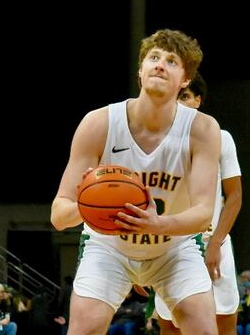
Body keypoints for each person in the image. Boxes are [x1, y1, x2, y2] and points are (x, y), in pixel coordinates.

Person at [50, 29, 222, 335]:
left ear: (185, 79)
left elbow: (202, 215)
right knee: (84, 329)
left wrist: (158, 225)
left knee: (205, 331)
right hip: (110, 247)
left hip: (173, 248)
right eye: (153, 58)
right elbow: (59, 214)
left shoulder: (202, 130)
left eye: (171, 61)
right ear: (140, 72)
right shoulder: (99, 123)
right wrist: (94, 207)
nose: (159, 65)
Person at [155, 72, 244, 335]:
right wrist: (140, 256)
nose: (179, 103)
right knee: (171, 325)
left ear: (198, 100)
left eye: (185, 96)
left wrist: (216, 243)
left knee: (223, 320)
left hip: (211, 243)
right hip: (169, 247)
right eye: (175, 97)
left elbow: (235, 196)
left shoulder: (221, 137)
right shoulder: (156, 143)